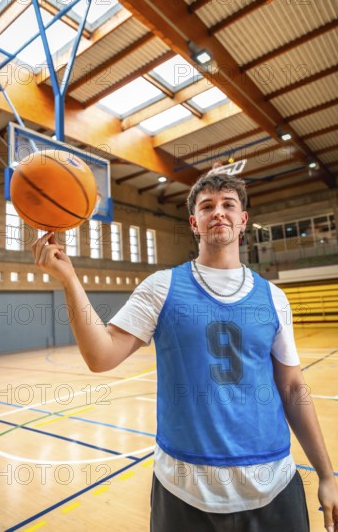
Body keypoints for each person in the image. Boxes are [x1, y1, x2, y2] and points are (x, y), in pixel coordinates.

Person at [32, 172, 338, 532]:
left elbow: (293, 388)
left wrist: (327, 475)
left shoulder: (274, 297)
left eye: (229, 205)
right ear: (195, 223)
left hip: (272, 483)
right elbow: (101, 356)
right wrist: (69, 279)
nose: (218, 212)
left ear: (243, 221)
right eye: (207, 206)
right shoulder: (161, 287)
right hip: (185, 490)